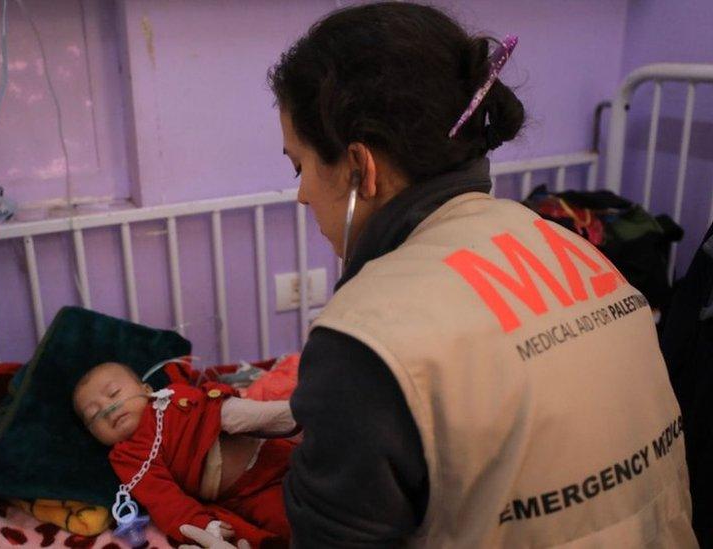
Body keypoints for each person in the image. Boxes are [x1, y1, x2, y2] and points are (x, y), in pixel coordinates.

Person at [182, 2, 696, 548]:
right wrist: (328, 411)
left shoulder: (365, 333)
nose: (303, 192)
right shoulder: (575, 250)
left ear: (361, 168)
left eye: (299, 165)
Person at [72, 361, 297, 547]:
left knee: (211, 401)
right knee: (292, 521)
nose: (108, 409)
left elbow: (202, 396)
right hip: (248, 491)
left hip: (266, 441)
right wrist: (201, 524)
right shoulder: (128, 456)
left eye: (113, 393)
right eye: (94, 414)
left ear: (146, 390)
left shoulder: (169, 396)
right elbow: (165, 502)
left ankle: (267, 415)